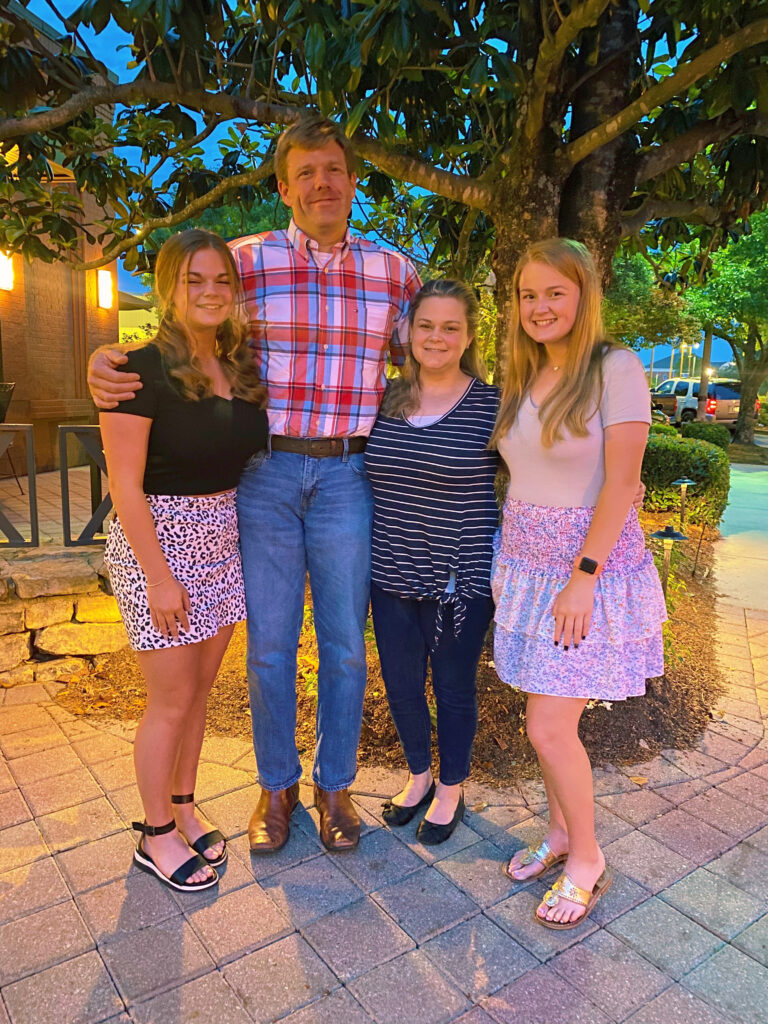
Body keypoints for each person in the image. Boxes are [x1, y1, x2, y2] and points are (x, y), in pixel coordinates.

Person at [88, 115, 421, 854]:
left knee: (344, 645)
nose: (321, 184)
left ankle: (335, 785)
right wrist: (105, 359)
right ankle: (276, 785)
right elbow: (182, 327)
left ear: (353, 180)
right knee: (269, 644)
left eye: (333, 170)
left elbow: (428, 361)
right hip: (264, 474)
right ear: (284, 186)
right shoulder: (243, 263)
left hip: (348, 473)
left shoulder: (396, 273)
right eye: (305, 172)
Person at [490, 237, 666, 928]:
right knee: (546, 722)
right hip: (527, 570)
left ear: (584, 295)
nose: (540, 306)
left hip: (584, 574)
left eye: (554, 293)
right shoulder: (525, 371)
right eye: (528, 295)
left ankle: (588, 859)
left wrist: (583, 577)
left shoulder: (615, 367)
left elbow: (622, 482)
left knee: (548, 725)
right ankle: (561, 833)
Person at [99, 230, 268, 892]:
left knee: (198, 693)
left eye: (221, 279)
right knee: (169, 700)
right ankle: (155, 835)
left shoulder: (237, 368)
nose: (210, 291)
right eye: (194, 280)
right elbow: (124, 484)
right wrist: (159, 578)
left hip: (220, 541)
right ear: (169, 287)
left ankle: (184, 805)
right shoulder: (136, 370)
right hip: (159, 544)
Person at [364, 279, 498, 843]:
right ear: (409, 331)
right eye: (426, 326)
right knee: (400, 684)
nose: (436, 337)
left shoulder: (494, 406)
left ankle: (450, 788)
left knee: (452, 687)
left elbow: (544, 465)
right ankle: (418, 775)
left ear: (468, 336)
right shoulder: (384, 399)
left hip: (458, 582)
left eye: (450, 327)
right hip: (389, 571)